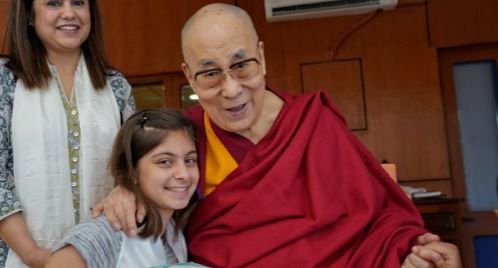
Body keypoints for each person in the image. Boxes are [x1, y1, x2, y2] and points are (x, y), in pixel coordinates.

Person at [94, 3, 461, 267]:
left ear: (262, 57)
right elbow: (148, 188)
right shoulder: (184, 139)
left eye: (241, 65)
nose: (232, 89)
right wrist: (125, 190)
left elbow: (379, 213)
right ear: (189, 76)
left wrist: (413, 248)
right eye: (210, 73)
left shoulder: (313, 123)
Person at [0, 0, 135, 267]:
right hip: (22, 257)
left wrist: (127, 187)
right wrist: (33, 255)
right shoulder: (5, 81)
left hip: (105, 253)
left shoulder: (116, 85)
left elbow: (134, 164)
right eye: (53, 3)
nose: (69, 13)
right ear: (29, 14)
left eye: (78, 3)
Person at [45, 109, 199, 268]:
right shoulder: (107, 232)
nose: (184, 174)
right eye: (165, 162)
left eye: (190, 160)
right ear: (131, 171)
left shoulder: (174, 234)